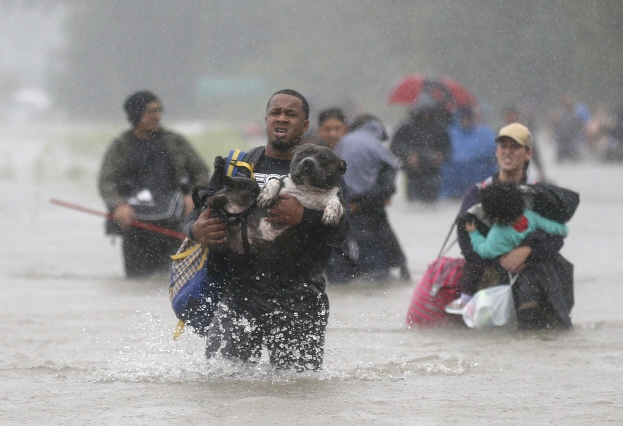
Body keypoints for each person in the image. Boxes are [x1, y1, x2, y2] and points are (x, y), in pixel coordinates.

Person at [184, 89, 349, 371]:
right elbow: (192, 218)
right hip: (238, 293)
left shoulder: (325, 170)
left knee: (298, 389)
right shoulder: (237, 165)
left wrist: (304, 216)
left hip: (300, 296)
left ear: (306, 125)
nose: (282, 119)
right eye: (276, 112)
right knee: (220, 385)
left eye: (291, 114)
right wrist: (196, 231)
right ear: (266, 119)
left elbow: (343, 233)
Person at [445, 123, 575, 329]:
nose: (508, 152)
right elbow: (466, 241)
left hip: (534, 271)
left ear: (528, 153)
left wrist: (527, 253)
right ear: (496, 152)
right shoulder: (477, 192)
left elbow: (556, 239)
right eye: (503, 146)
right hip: (489, 272)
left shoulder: (540, 195)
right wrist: (499, 259)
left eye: (515, 147)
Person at [98, 90, 209, 278]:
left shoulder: (175, 141)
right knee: (137, 282)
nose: (158, 116)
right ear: (136, 114)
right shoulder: (121, 146)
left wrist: (194, 197)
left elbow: (201, 172)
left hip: (174, 225)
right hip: (136, 228)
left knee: (176, 278)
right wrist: (118, 205)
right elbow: (107, 181)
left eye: (159, 110)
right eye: (152, 111)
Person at [326, 114, 410, 283]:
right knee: (377, 273)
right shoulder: (379, 150)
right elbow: (388, 186)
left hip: (341, 217)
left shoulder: (341, 147)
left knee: (342, 273)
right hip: (368, 218)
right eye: (328, 129)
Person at [465, 181, 568, 260]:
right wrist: (563, 229)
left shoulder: (498, 234)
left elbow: (485, 252)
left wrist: (473, 234)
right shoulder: (530, 217)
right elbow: (555, 228)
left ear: (491, 214)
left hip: (512, 277)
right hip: (536, 269)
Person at [390, 95, 451, 203]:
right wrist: (408, 154)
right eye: (423, 113)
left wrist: (440, 155)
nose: (425, 117)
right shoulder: (407, 127)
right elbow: (395, 146)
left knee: (431, 206)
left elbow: (448, 149)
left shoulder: (439, 128)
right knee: (414, 206)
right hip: (413, 174)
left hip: (433, 173)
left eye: (428, 113)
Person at [439, 107, 497, 199]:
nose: (466, 121)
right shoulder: (450, 133)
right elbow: (444, 151)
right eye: (463, 118)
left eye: (468, 118)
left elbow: (492, 150)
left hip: (477, 171)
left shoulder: (484, 132)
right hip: (454, 174)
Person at [502, 105, 547, 181]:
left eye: (513, 115)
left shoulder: (524, 133)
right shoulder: (499, 132)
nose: (511, 118)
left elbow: (533, 151)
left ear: (517, 117)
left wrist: (540, 170)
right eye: (508, 116)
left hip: (521, 172)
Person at [553, 95, 586, 163]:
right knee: (561, 161)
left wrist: (585, 137)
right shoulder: (559, 114)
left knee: (575, 161)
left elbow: (582, 127)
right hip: (562, 143)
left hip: (572, 143)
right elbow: (554, 125)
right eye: (566, 104)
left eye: (569, 104)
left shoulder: (575, 115)